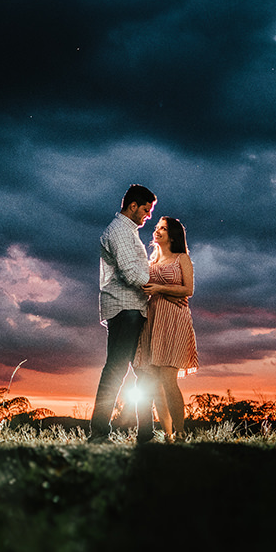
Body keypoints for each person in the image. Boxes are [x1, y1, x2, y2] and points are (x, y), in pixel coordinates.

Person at [89, 184, 158, 443]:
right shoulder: (119, 231)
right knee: (117, 369)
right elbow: (132, 274)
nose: (148, 215)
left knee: (142, 370)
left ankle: (145, 434)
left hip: (133, 309)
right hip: (125, 308)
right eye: (146, 209)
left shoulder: (127, 231)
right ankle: (98, 433)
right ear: (132, 206)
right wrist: (162, 287)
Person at [134, 216, 198, 442]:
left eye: (163, 228)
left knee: (168, 377)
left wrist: (161, 288)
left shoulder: (182, 258)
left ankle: (180, 433)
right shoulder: (150, 262)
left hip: (174, 319)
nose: (157, 231)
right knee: (154, 380)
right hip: (152, 320)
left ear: (173, 235)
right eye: (157, 227)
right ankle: (168, 434)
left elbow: (188, 290)